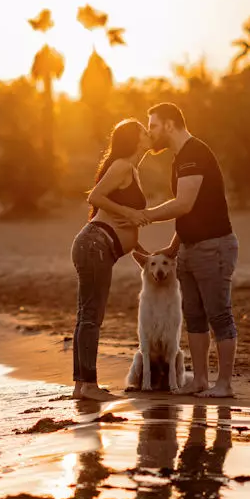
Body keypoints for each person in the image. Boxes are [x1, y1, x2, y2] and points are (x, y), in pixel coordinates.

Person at [143, 102, 240, 398]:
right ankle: (199, 380)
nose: (150, 134)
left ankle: (223, 384)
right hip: (189, 248)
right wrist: (174, 247)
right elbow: (189, 213)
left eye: (153, 126)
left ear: (170, 125)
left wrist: (143, 215)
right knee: (194, 316)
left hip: (213, 247)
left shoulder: (193, 154)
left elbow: (183, 204)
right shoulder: (180, 158)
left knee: (218, 315)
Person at [71, 119, 152, 400]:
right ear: (134, 139)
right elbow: (95, 197)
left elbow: (125, 227)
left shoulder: (131, 169)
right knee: (91, 316)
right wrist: (129, 214)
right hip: (95, 244)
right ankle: (89, 386)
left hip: (97, 245)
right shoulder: (122, 165)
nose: (149, 134)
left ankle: (81, 386)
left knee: (86, 316)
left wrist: (145, 253)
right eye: (144, 131)